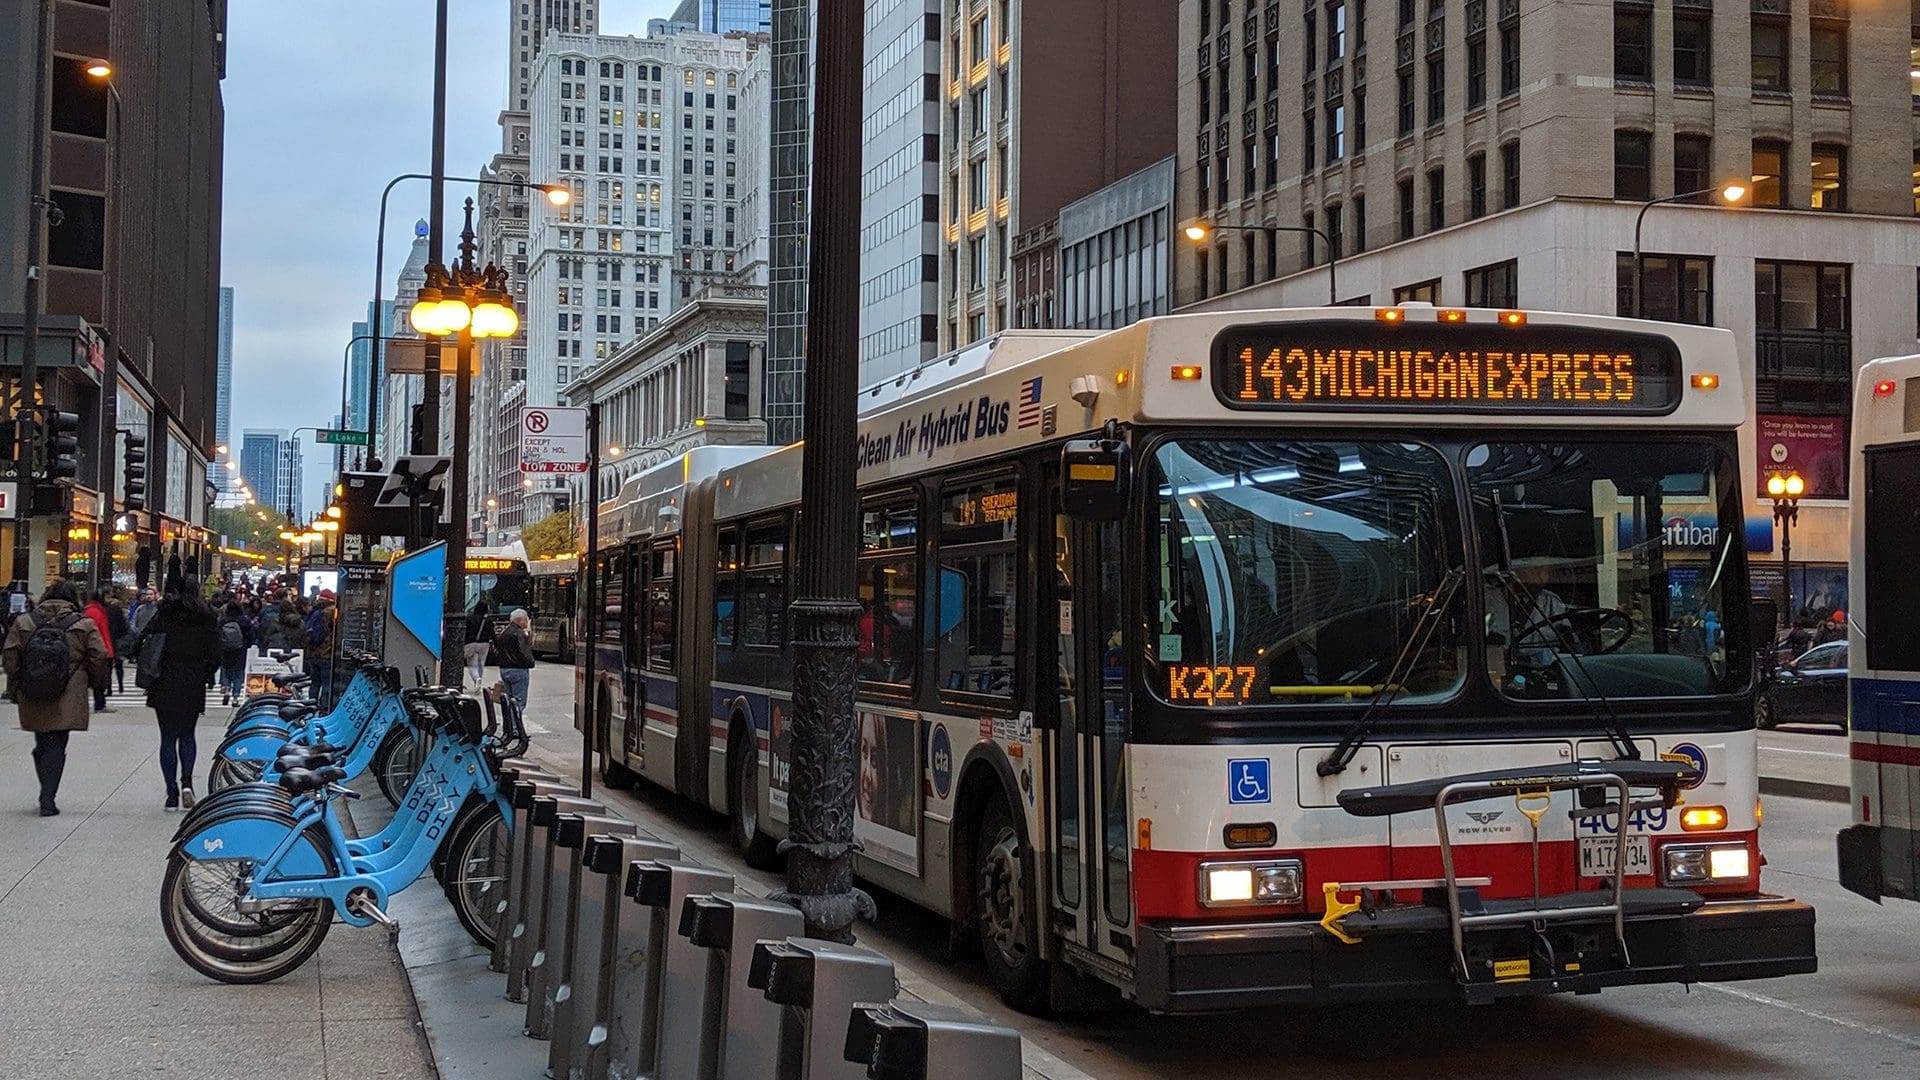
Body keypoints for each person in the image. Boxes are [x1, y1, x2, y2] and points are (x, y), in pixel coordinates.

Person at [4, 580, 110, 816]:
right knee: (57, 743)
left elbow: (10, 655)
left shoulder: (25, 622)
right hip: (68, 691)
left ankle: (45, 788)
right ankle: (48, 796)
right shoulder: (83, 624)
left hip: (32, 690)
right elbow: (99, 655)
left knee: (41, 742)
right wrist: (91, 681)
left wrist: (18, 680)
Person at [135, 576, 221, 810]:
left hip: (164, 680)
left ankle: (171, 793)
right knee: (187, 735)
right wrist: (205, 673)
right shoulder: (207, 617)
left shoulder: (165, 613)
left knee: (167, 737)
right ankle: (187, 784)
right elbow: (216, 654)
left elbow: (141, 640)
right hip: (192, 681)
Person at [83, 590, 117, 712]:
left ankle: (100, 703)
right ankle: (99, 704)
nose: (109, 600)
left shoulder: (96, 610)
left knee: (102, 677)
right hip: (100, 648)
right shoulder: (94, 611)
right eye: (107, 597)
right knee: (100, 678)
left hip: (103, 647)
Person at [496, 608, 536, 711]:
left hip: (505, 669)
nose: (527, 622)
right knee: (519, 702)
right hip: (518, 670)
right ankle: (514, 726)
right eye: (526, 620)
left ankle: (509, 725)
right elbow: (524, 653)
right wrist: (531, 662)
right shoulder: (519, 634)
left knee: (509, 701)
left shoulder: (505, 633)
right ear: (520, 620)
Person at [305, 590, 339, 707]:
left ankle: (311, 706)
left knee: (315, 683)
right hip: (326, 653)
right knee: (327, 684)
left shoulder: (313, 610)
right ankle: (324, 709)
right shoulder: (331, 611)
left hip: (312, 653)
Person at [216, 599, 253, 705]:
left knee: (226, 669)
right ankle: (235, 697)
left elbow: (217, 633)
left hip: (225, 649)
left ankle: (226, 688)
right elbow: (251, 635)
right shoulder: (244, 620)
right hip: (240, 650)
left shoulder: (223, 620)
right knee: (238, 673)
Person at [462, 599, 493, 690]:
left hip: (470, 642)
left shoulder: (469, 618)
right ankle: (479, 680)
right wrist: (496, 644)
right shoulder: (488, 620)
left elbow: (465, 631)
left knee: (472, 664)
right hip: (484, 643)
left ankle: (476, 678)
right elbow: (492, 633)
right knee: (481, 663)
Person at [106, 593, 131, 694]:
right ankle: (120, 685)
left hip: (108, 639)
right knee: (119, 665)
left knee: (108, 666)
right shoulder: (118, 611)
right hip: (118, 640)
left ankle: (109, 688)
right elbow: (124, 626)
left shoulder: (105, 610)